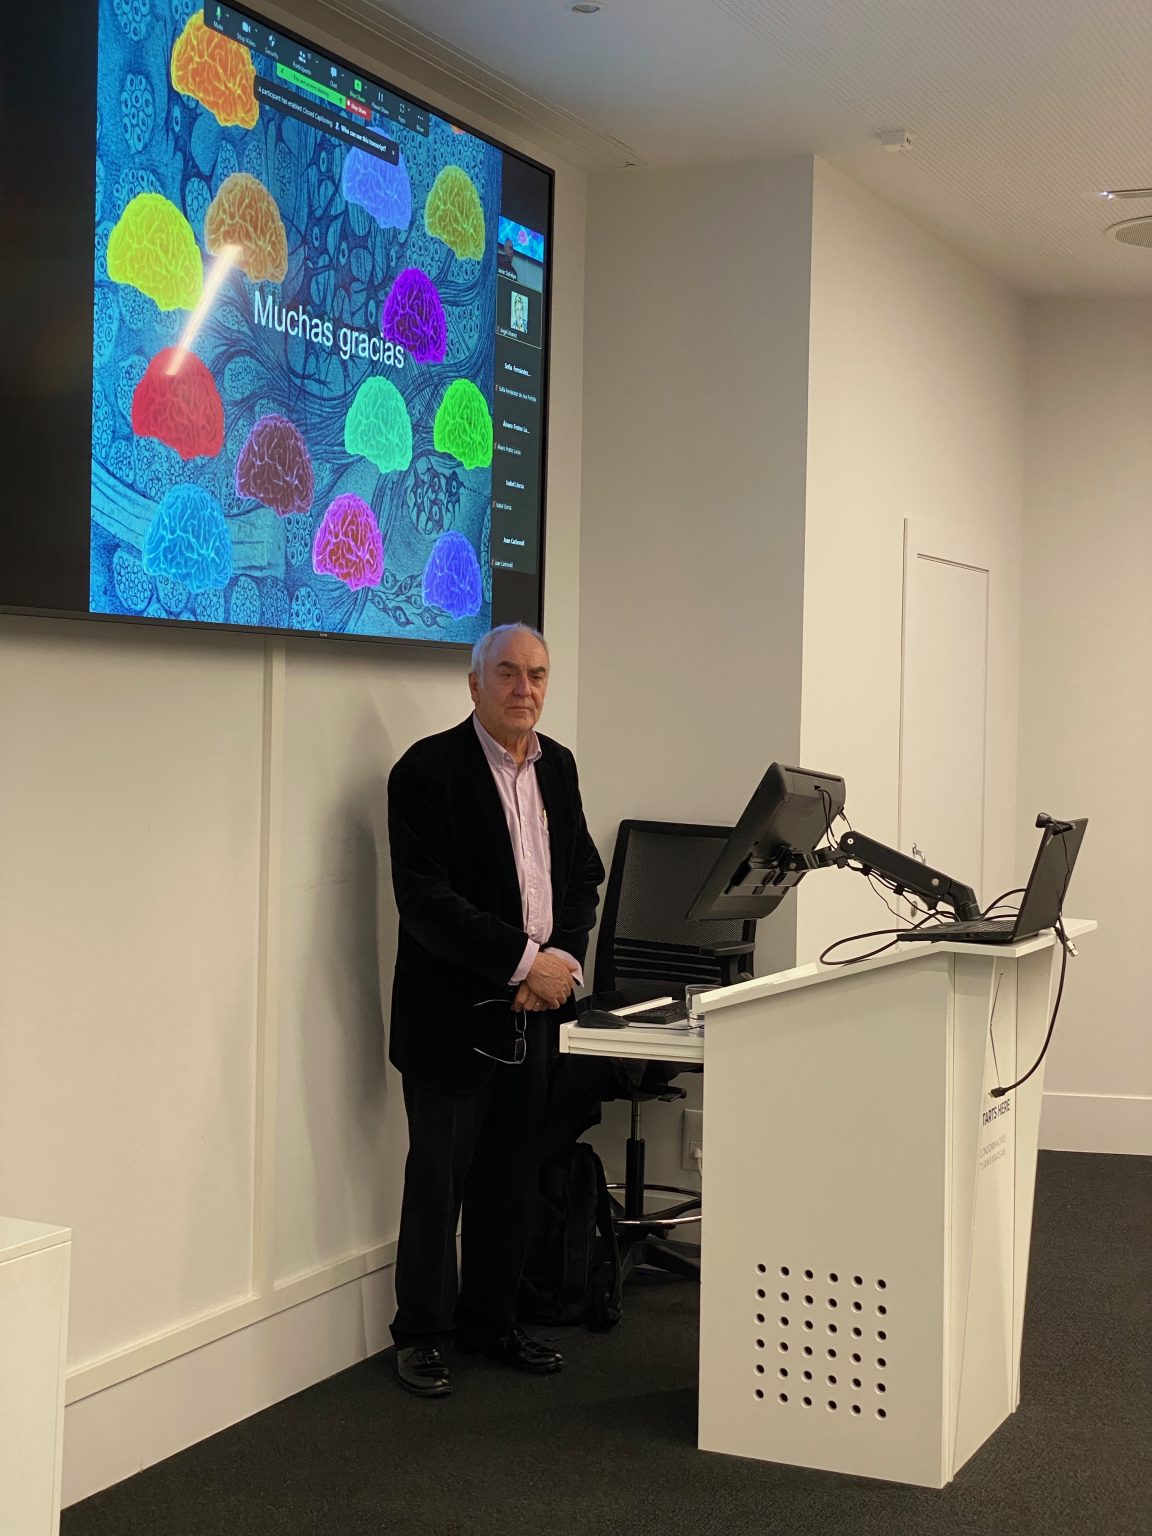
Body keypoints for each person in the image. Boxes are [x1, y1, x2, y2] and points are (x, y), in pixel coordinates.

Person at [386, 622, 605, 1397]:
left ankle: (491, 1321)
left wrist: (561, 964)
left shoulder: (559, 767)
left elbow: (582, 877)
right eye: (507, 673)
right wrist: (524, 961)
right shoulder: (427, 771)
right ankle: (422, 1334)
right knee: (437, 1182)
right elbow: (426, 902)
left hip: (536, 1010)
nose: (524, 689)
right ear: (474, 683)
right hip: (453, 1015)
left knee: (512, 1175)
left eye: (537, 675)